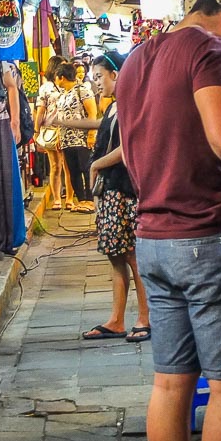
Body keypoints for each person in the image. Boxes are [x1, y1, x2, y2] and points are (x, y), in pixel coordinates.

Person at [116, 0, 221, 441]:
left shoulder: (137, 58)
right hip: (208, 238)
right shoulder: (210, 48)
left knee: (170, 384)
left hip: (154, 242)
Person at [58, 51, 151, 342]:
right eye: (93, 77)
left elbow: (127, 147)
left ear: (116, 74)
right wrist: (64, 123)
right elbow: (100, 126)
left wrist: (96, 164)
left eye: (99, 76)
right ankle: (117, 319)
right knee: (115, 257)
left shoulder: (131, 105)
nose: (95, 82)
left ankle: (145, 318)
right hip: (110, 192)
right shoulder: (113, 107)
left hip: (125, 191)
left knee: (133, 257)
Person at [54, 62, 97, 213]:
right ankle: (81, 200)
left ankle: (90, 200)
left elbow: (92, 113)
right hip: (67, 140)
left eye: (57, 77)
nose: (56, 80)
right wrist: (60, 137)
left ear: (62, 77)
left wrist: (91, 134)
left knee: (86, 168)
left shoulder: (83, 90)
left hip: (82, 138)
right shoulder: (63, 94)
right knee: (73, 171)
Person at [34, 55, 74, 210]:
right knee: (55, 166)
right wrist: (36, 130)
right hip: (51, 130)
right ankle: (57, 199)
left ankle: (70, 198)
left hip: (67, 129)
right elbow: (40, 111)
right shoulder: (46, 88)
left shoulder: (70, 84)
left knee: (68, 166)